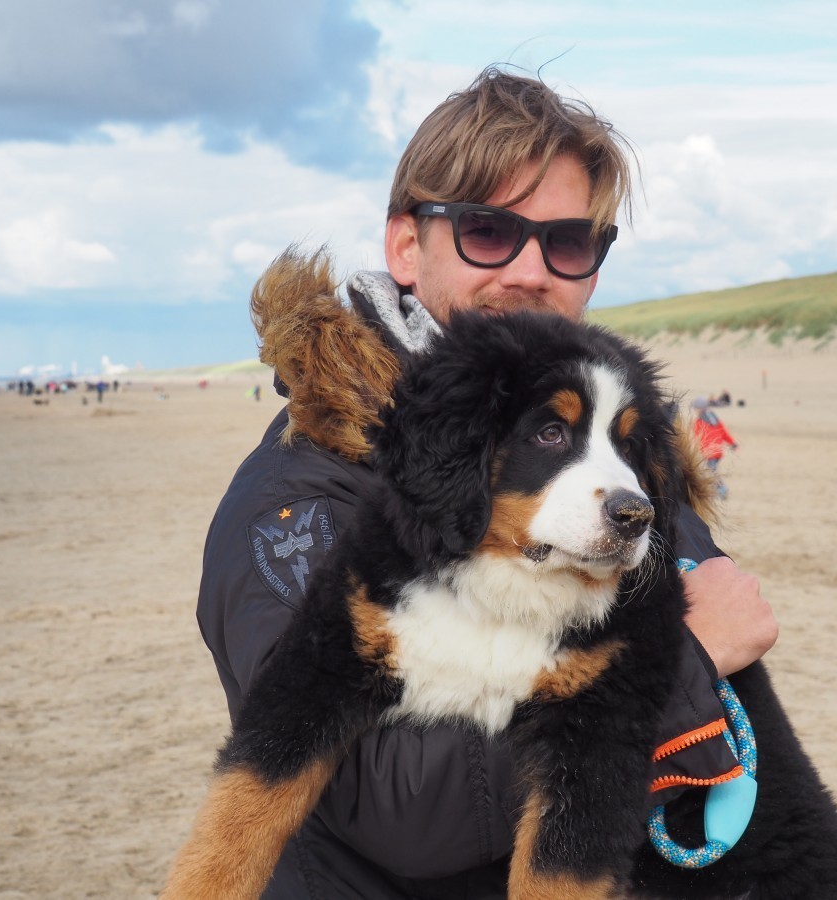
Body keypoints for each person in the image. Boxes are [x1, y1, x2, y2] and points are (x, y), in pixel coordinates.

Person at [196, 66, 777, 899]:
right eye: (488, 231)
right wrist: (686, 665)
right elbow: (387, 806)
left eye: (567, 241)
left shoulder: (620, 451)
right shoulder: (299, 501)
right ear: (406, 246)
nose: (531, 271)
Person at [690, 395, 739, 499]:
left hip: (710, 452)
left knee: (712, 472)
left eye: (696, 408)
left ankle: (722, 491)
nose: (695, 410)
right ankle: (717, 491)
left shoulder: (699, 422)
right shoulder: (715, 420)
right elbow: (724, 433)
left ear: (701, 408)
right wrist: (733, 443)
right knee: (711, 471)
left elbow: (696, 438)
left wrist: (694, 450)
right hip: (718, 451)